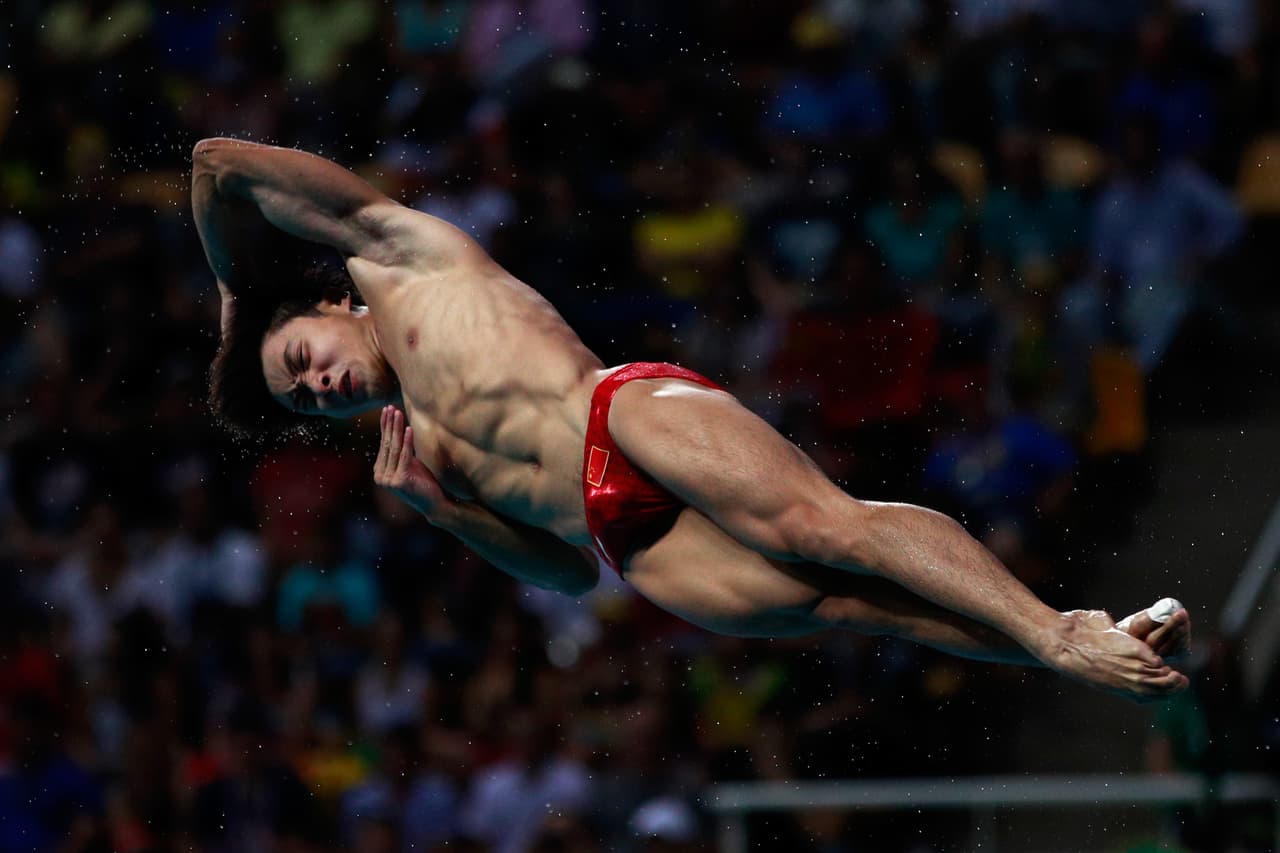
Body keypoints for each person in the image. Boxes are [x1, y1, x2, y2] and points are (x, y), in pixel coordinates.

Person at [190, 138, 1191, 702]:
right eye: (301, 399)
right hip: (622, 538)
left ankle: (1055, 629)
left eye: (300, 361)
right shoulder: (410, 451)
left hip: (620, 414)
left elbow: (214, 164)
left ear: (325, 308)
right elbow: (563, 573)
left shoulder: (395, 256)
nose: (317, 386)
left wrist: (239, 308)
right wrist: (440, 510)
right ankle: (1105, 648)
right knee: (851, 605)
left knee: (824, 525)